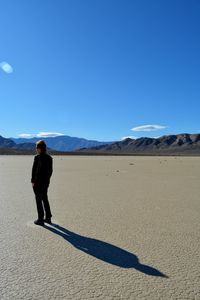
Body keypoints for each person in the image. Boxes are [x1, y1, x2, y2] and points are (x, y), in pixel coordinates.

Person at [31, 140, 53, 226]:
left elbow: (35, 171)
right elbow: (50, 171)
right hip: (46, 183)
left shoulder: (38, 157)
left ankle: (40, 219)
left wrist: (33, 181)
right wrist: (47, 181)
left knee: (38, 200)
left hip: (38, 183)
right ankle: (48, 217)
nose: (36, 149)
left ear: (40, 148)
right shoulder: (49, 158)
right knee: (45, 199)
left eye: (37, 147)